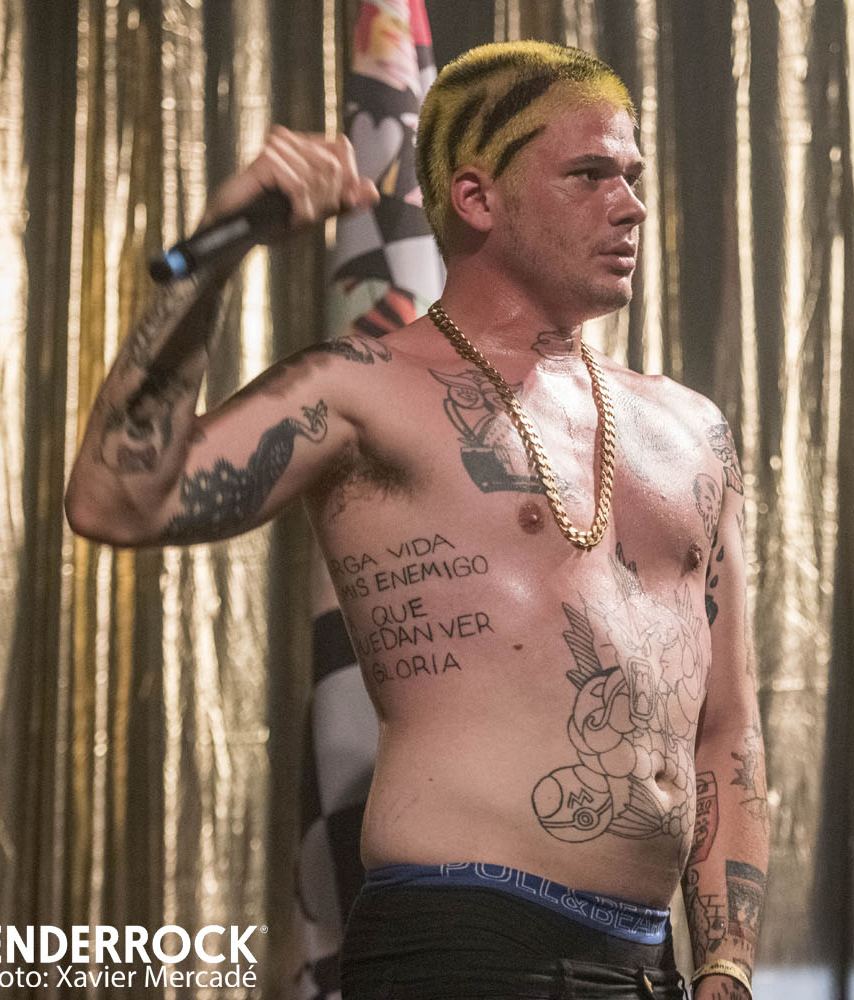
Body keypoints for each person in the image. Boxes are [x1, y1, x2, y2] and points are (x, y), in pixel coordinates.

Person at [65, 40, 768, 1000]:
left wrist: (727, 965)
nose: (631, 205)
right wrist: (217, 254)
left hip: (650, 967)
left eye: (633, 176)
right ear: (477, 199)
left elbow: (726, 729)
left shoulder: (693, 431)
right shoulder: (365, 391)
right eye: (589, 174)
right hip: (459, 945)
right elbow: (116, 497)